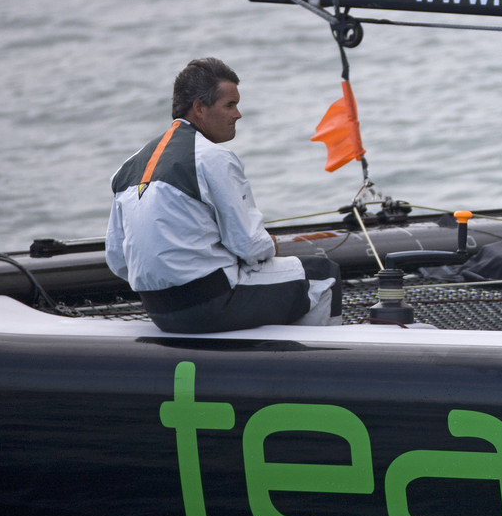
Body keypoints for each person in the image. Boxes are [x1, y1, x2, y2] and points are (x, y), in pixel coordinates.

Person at [106, 57, 342, 332]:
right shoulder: (213, 157)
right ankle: (307, 369)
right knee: (325, 276)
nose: (238, 114)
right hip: (211, 305)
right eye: (230, 105)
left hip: (159, 311)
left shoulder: (128, 167)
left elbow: (117, 260)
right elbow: (251, 246)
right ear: (199, 108)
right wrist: (270, 245)